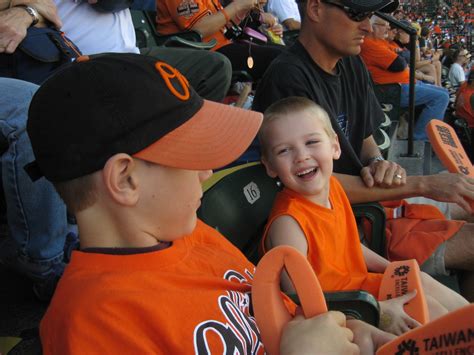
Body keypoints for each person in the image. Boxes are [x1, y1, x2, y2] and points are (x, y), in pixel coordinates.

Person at [30, 52, 388, 354]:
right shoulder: (93, 326)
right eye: (192, 155)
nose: (207, 170)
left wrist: (352, 330)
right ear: (126, 179)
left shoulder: (191, 234)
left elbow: (291, 320)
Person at [0, 0, 233, 301]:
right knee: (35, 109)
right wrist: (30, 8)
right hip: (78, 59)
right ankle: (45, 262)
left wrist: (27, 10)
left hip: (99, 55)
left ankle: (148, 204)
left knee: (213, 69)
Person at [252, 0, 474, 300]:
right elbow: (313, 186)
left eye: (369, 16)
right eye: (357, 15)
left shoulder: (351, 62)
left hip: (374, 199)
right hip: (362, 218)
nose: (368, 27)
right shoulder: (288, 78)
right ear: (316, 9)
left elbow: (365, 138)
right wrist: (424, 183)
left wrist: (377, 160)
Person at [258, 96, 469, 335]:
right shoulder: (288, 222)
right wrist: (378, 309)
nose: (301, 156)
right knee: (434, 315)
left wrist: (390, 267)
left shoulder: (333, 188)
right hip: (345, 313)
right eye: (284, 150)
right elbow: (298, 296)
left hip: (362, 289)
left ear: (335, 146)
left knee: (422, 281)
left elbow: (349, 245)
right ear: (270, 166)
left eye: (312, 142)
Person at [360, 15, 449, 141]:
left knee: (444, 92)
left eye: (388, 26)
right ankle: (420, 139)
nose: (388, 28)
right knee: (441, 97)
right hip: (393, 90)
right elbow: (400, 64)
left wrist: (403, 57)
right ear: (372, 27)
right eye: (384, 25)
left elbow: (404, 58)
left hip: (404, 84)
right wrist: (402, 58)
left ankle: (423, 133)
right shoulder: (370, 44)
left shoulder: (381, 42)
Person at [156, 0, 284, 80]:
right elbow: (199, 29)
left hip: (221, 46)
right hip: (202, 53)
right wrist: (237, 5)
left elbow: (224, 25)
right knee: (279, 58)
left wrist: (245, 8)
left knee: (286, 53)